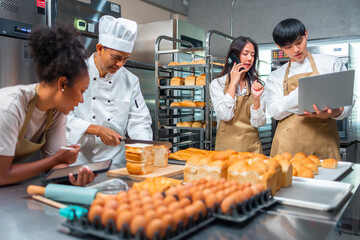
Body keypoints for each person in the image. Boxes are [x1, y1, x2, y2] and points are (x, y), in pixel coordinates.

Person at [0, 25, 96, 186]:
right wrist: (56, 159)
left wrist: (71, 177)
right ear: (62, 83)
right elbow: (2, 176)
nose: (81, 100)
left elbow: (55, 166)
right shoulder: (10, 106)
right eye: (81, 91)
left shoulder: (56, 112)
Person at [66, 15, 152, 167]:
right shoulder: (74, 72)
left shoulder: (130, 80)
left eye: (125, 59)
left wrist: (146, 148)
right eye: (116, 57)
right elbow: (60, 116)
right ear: (100, 49)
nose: (120, 64)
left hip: (115, 160)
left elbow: (139, 121)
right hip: (77, 158)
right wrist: (94, 129)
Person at [266, 18, 353, 160]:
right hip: (287, 147)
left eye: (299, 42)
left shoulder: (330, 63)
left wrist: (336, 112)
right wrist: (301, 93)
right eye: (288, 47)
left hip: (324, 143)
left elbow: (348, 101)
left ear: (306, 34)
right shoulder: (276, 76)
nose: (296, 50)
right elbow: (275, 112)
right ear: (279, 46)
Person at [210, 36, 266, 153]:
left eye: (252, 54)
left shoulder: (256, 86)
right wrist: (233, 84)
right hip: (226, 150)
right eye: (245, 53)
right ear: (233, 56)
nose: (249, 58)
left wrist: (256, 99)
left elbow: (258, 123)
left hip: (252, 149)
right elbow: (225, 116)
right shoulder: (217, 84)